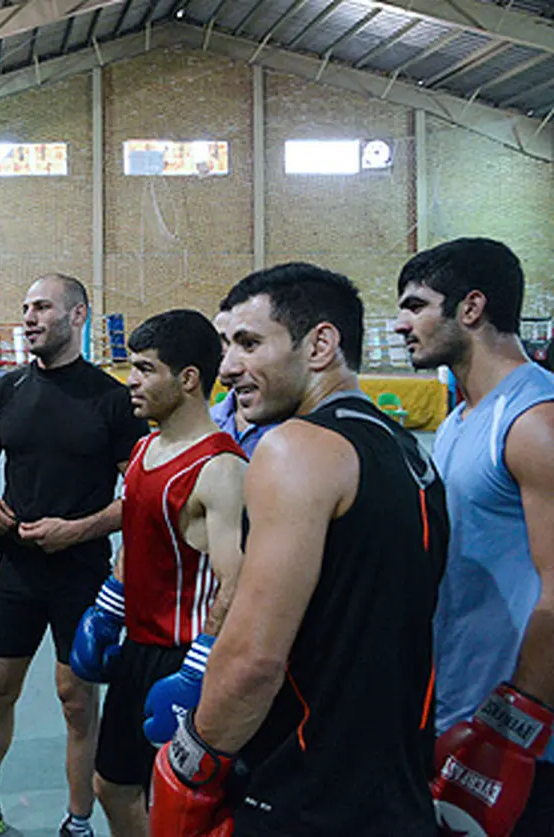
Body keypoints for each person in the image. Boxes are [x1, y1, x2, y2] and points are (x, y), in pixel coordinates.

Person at [150, 263, 448, 836]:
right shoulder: (410, 454)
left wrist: (192, 760)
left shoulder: (296, 449)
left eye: (249, 343)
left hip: (305, 797)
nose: (228, 367)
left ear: (320, 345)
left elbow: (254, 658)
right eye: (225, 346)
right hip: (396, 792)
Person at [0, 273, 149, 837]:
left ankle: (77, 825)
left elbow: (138, 498)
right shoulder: (4, 392)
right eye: (26, 307)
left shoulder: (111, 400)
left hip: (80, 574)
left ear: (78, 315)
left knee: (76, 702)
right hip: (18, 570)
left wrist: (77, 530)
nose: (29, 317)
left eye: (43, 308)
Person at [396, 238, 554, 836]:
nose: (401, 323)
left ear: (471, 309)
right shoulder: (462, 419)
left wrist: (509, 732)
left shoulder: (535, 421)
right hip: (458, 712)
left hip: (523, 739)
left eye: (416, 305)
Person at [79, 310, 246, 837]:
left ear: (189, 379)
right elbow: (135, 537)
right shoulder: (143, 449)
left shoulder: (220, 468)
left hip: (188, 655)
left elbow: (236, 582)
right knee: (111, 785)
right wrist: (108, 610)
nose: (133, 381)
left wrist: (199, 668)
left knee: (182, 805)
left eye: (147, 369)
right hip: (137, 648)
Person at [210, 307, 274, 455]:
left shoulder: (305, 431)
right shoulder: (207, 421)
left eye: (248, 343)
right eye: (219, 342)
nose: (227, 364)